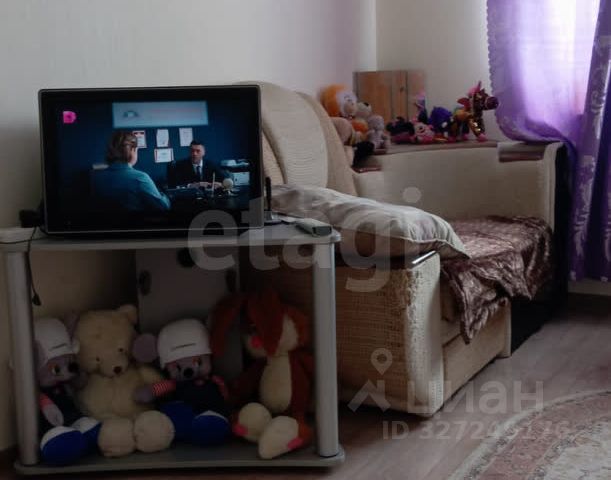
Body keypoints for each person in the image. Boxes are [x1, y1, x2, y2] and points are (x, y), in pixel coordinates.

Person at [92, 131, 170, 211]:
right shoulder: (140, 178)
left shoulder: (96, 178)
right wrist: (161, 193)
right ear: (133, 150)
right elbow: (164, 207)